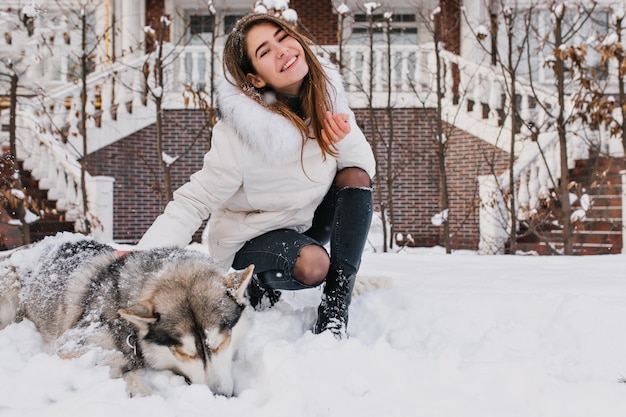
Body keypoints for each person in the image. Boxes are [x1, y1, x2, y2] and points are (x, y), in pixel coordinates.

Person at [136, 13, 375, 339]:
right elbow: (195, 201)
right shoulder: (240, 133)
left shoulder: (327, 102)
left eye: (282, 36)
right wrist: (141, 262)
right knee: (314, 265)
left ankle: (335, 305)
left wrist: (342, 136)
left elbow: (361, 173)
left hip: (305, 224)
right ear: (257, 79)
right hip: (249, 238)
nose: (282, 49)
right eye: (264, 51)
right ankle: (257, 282)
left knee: (355, 177)